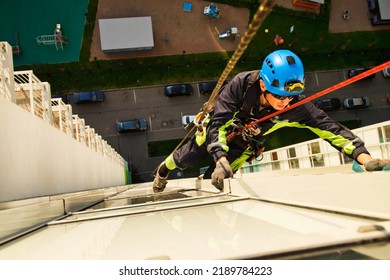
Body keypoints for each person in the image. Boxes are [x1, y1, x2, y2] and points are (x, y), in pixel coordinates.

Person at [152, 49, 390, 193]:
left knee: (217, 181)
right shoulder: (241, 87)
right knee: (187, 157)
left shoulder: (293, 106)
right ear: (263, 84)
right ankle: (162, 171)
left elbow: (330, 128)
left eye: (291, 97)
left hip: (245, 144)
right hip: (218, 133)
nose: (285, 103)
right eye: (279, 97)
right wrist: (220, 155)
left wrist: (364, 157)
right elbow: (219, 123)